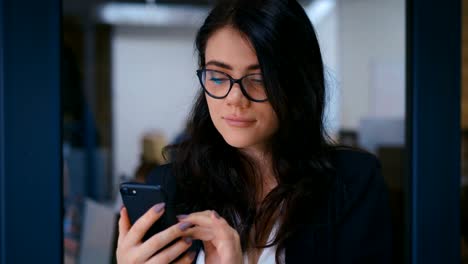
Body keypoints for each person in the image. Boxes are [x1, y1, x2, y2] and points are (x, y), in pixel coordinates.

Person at [116, 0, 392, 263]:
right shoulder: (171, 184)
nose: (234, 98)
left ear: (297, 83)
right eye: (218, 76)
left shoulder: (352, 184)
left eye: (258, 79)